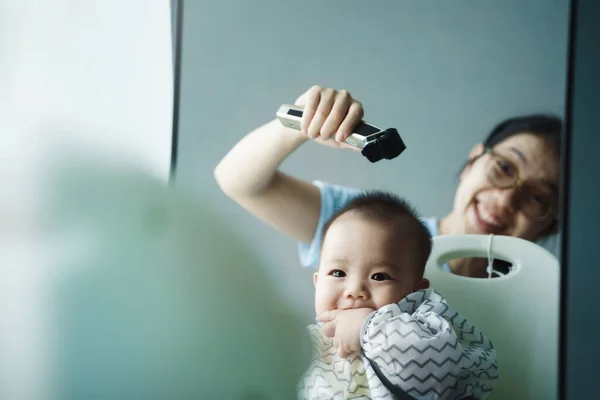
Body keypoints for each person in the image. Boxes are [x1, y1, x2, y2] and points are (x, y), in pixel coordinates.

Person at [214, 85, 562, 278]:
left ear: (551, 226)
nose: (504, 201)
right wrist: (300, 122)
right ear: (474, 160)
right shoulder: (367, 227)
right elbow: (240, 183)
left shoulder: (541, 306)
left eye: (537, 198)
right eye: (504, 167)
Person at [297, 190, 498, 399]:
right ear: (318, 283)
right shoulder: (310, 345)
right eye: (338, 273)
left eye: (380, 276)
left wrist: (367, 328)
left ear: (415, 291)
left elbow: (431, 371)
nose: (355, 290)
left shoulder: (427, 327)